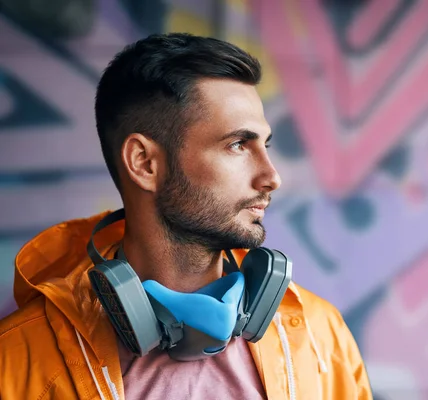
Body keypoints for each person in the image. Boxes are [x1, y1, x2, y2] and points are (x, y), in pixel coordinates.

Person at [0, 33, 372, 399]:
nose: (272, 176)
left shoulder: (320, 338)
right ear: (144, 163)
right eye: (238, 145)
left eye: (266, 144)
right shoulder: (16, 361)